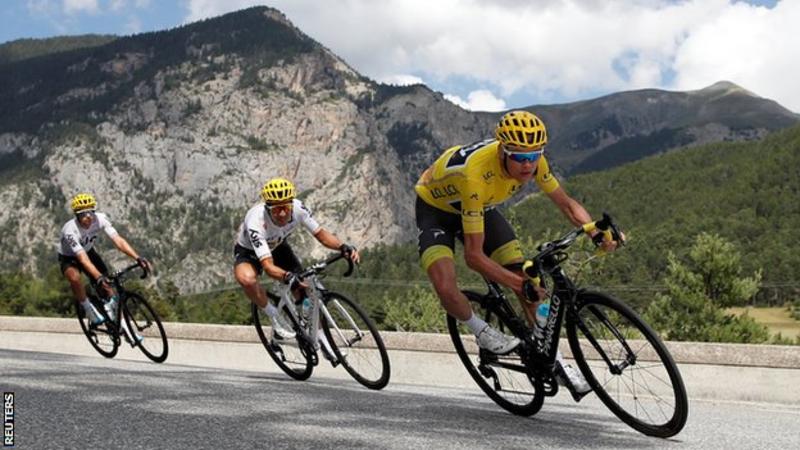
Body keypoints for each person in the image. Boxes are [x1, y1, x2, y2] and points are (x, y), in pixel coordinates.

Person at [414, 110, 622, 395]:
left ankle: (555, 361)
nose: (528, 165)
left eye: (535, 155)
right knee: (446, 286)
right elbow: (474, 257)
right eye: (520, 157)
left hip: (481, 208)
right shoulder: (475, 175)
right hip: (436, 212)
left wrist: (595, 231)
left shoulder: (535, 162)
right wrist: (517, 284)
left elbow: (566, 204)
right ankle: (482, 332)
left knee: (528, 277)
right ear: (502, 151)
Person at [233, 177, 360, 359]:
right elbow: (268, 267)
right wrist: (287, 276)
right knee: (247, 279)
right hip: (249, 251)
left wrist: (342, 247)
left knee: (306, 291)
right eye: (277, 209)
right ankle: (276, 318)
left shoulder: (298, 208)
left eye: (286, 207)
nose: (283, 213)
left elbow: (322, 235)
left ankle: (321, 337)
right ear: (268, 208)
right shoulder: (256, 220)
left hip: (277, 247)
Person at [58, 193, 152, 330]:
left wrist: (137, 257)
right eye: (83, 214)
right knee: (75, 278)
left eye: (90, 212)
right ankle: (88, 309)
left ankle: (122, 325)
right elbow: (82, 259)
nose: (88, 217)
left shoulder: (100, 219)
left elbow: (118, 240)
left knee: (108, 287)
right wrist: (98, 277)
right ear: (77, 216)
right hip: (69, 257)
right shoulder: (70, 230)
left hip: (89, 252)